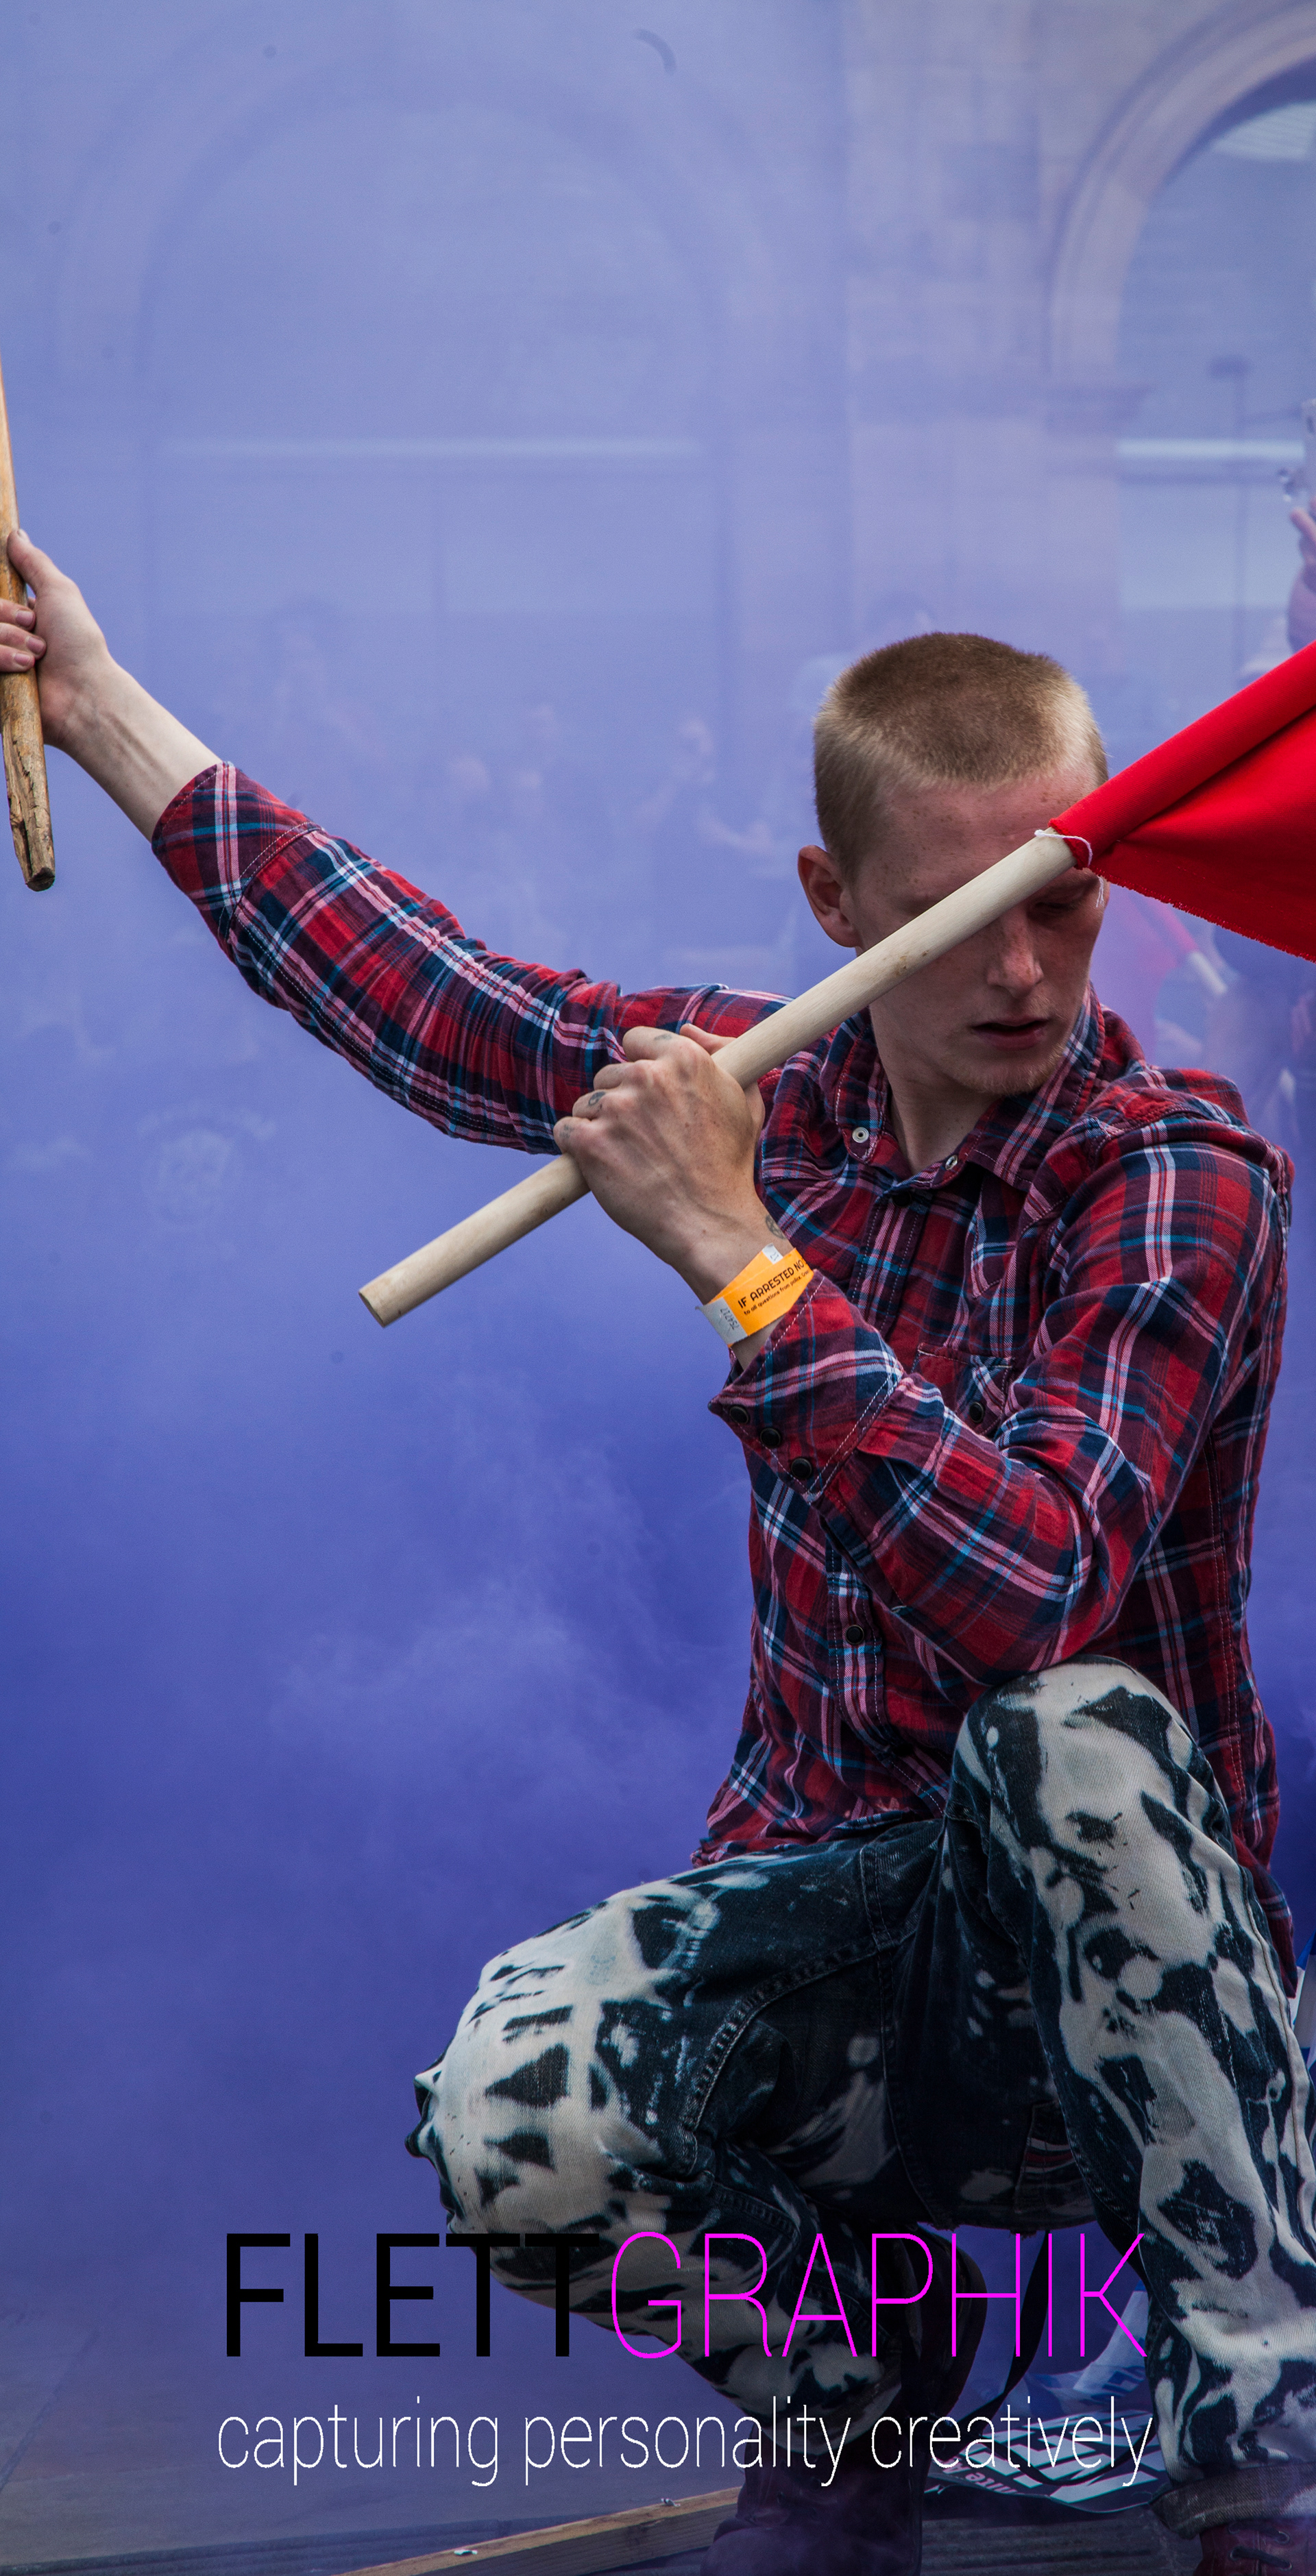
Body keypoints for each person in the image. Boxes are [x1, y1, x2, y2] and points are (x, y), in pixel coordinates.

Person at [6, 534, 1315, 2576]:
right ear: (833, 905)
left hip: (1116, 1982)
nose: (1022, 974)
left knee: (1069, 1730)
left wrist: (739, 1258)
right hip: (837, 1916)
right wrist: (89, 698)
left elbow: (1037, 1593)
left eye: (1059, 900)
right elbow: (427, 990)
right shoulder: (759, 1081)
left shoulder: (1172, 1178)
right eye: (953, 917)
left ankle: (1259, 2465)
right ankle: (854, 2417)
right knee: (503, 2110)